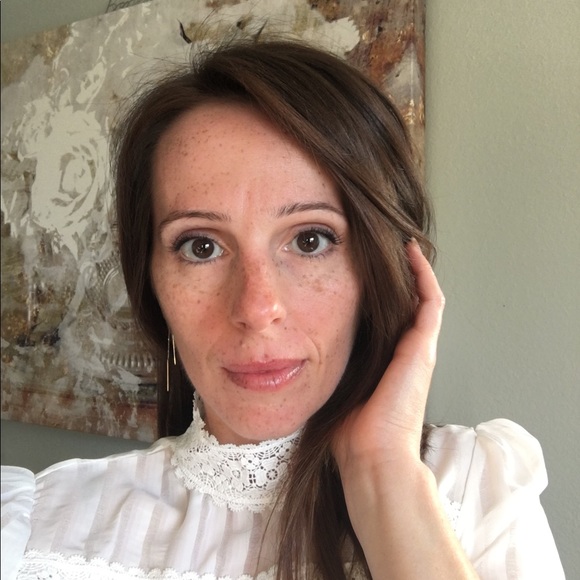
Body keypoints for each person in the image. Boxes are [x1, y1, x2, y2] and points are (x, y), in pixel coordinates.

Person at [1, 40, 564, 580]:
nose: (257, 308)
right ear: (151, 282)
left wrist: (383, 475)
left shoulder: (478, 487)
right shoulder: (31, 529)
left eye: (310, 240)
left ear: (382, 266)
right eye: (201, 246)